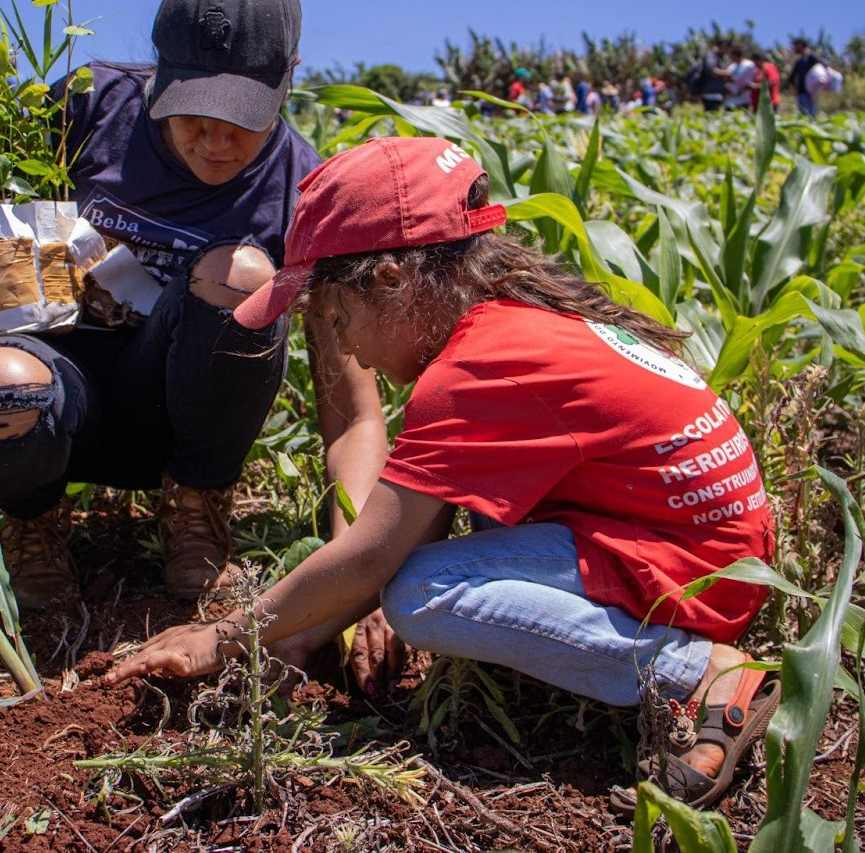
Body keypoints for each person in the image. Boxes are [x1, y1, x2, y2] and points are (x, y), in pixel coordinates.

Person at [106, 135, 779, 810]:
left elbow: (374, 556)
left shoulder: (480, 367)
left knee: (421, 596)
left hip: (693, 569)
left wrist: (219, 639)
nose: (342, 345)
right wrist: (305, 632)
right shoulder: (516, 320)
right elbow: (415, 517)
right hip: (706, 543)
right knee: (432, 539)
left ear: (393, 283)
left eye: (337, 317)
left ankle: (701, 670)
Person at [0, 0, 386, 620]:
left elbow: (354, 410)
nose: (216, 140)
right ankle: (32, 519)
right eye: (194, 112)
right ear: (160, 73)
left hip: (178, 418)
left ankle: (196, 505)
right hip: (51, 391)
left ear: (289, 83)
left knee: (242, 275)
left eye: (244, 118)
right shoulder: (81, 110)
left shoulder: (302, 190)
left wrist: (359, 570)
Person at [787, 38, 824, 117]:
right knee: (802, 117)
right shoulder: (799, 62)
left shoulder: (812, 58)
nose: (795, 48)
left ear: (800, 45)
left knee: (811, 116)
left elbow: (822, 69)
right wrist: (795, 89)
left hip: (811, 93)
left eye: (796, 46)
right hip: (801, 93)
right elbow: (792, 77)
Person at [689, 44, 731, 112]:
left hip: (712, 93)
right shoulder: (711, 56)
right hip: (711, 94)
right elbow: (712, 71)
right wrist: (727, 73)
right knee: (712, 115)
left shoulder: (716, 57)